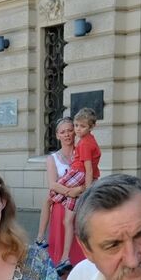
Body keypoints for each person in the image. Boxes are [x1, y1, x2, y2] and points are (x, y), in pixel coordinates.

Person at [36, 118, 86, 267]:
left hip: (80, 204)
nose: (67, 135)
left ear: (75, 132)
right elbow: (52, 184)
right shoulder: (52, 158)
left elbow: (91, 178)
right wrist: (71, 192)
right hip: (62, 206)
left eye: (70, 130)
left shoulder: (82, 153)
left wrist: (80, 190)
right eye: (63, 132)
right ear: (57, 135)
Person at [62, 108, 101, 254]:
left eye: (82, 126)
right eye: (76, 125)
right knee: (69, 217)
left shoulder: (84, 143)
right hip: (82, 177)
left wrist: (87, 190)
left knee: (54, 192)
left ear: (91, 127)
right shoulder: (89, 140)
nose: (78, 129)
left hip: (79, 176)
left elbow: (88, 169)